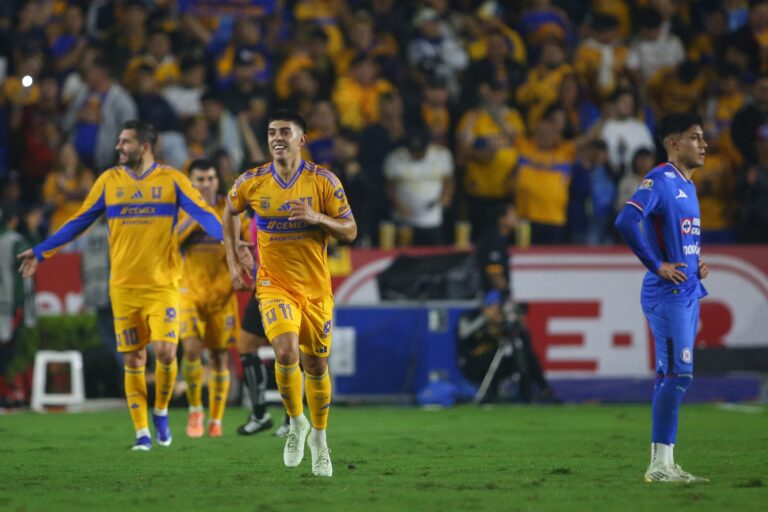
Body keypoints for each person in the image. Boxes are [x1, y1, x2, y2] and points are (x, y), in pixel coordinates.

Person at [17, 120, 223, 451]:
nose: (118, 148)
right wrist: (42, 251)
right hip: (124, 288)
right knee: (134, 361)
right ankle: (142, 433)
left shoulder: (172, 180)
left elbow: (205, 214)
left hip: (163, 284)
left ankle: (161, 410)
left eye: (124, 142)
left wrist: (234, 243)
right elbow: (78, 221)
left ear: (144, 146)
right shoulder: (109, 181)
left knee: (167, 353)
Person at [223, 110, 356, 477]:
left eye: (285, 131)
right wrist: (234, 258)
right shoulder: (253, 181)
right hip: (273, 285)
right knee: (284, 351)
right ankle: (296, 423)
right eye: (271, 132)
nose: (276, 137)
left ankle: (320, 439)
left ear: (301, 139)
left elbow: (350, 230)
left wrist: (318, 219)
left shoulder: (324, 181)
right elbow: (229, 208)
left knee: (315, 365)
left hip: (315, 290)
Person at [614, 113, 710, 483]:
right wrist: (657, 265)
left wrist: (692, 261)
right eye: (695, 137)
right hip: (667, 293)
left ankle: (665, 464)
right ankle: (659, 465)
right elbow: (625, 220)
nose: (704, 144)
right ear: (673, 143)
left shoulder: (689, 185)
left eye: (703, 138)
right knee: (679, 374)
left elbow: (676, 235)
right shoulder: (660, 178)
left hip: (687, 291)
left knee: (670, 375)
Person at [177, 159, 249, 438]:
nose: (205, 184)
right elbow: (169, 243)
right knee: (192, 350)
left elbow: (244, 247)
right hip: (190, 293)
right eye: (200, 179)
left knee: (220, 356)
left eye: (210, 178)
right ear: (190, 182)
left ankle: (216, 420)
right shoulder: (183, 211)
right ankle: (195, 410)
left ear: (217, 181)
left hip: (221, 294)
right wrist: (197, 219)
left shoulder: (230, 210)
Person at [473, 202, 557, 402]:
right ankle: (535, 390)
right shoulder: (493, 240)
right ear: (502, 219)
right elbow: (495, 275)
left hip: (496, 301)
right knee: (521, 343)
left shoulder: (497, 239)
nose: (516, 218)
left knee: (520, 344)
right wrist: (509, 303)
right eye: (512, 214)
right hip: (494, 303)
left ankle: (534, 389)